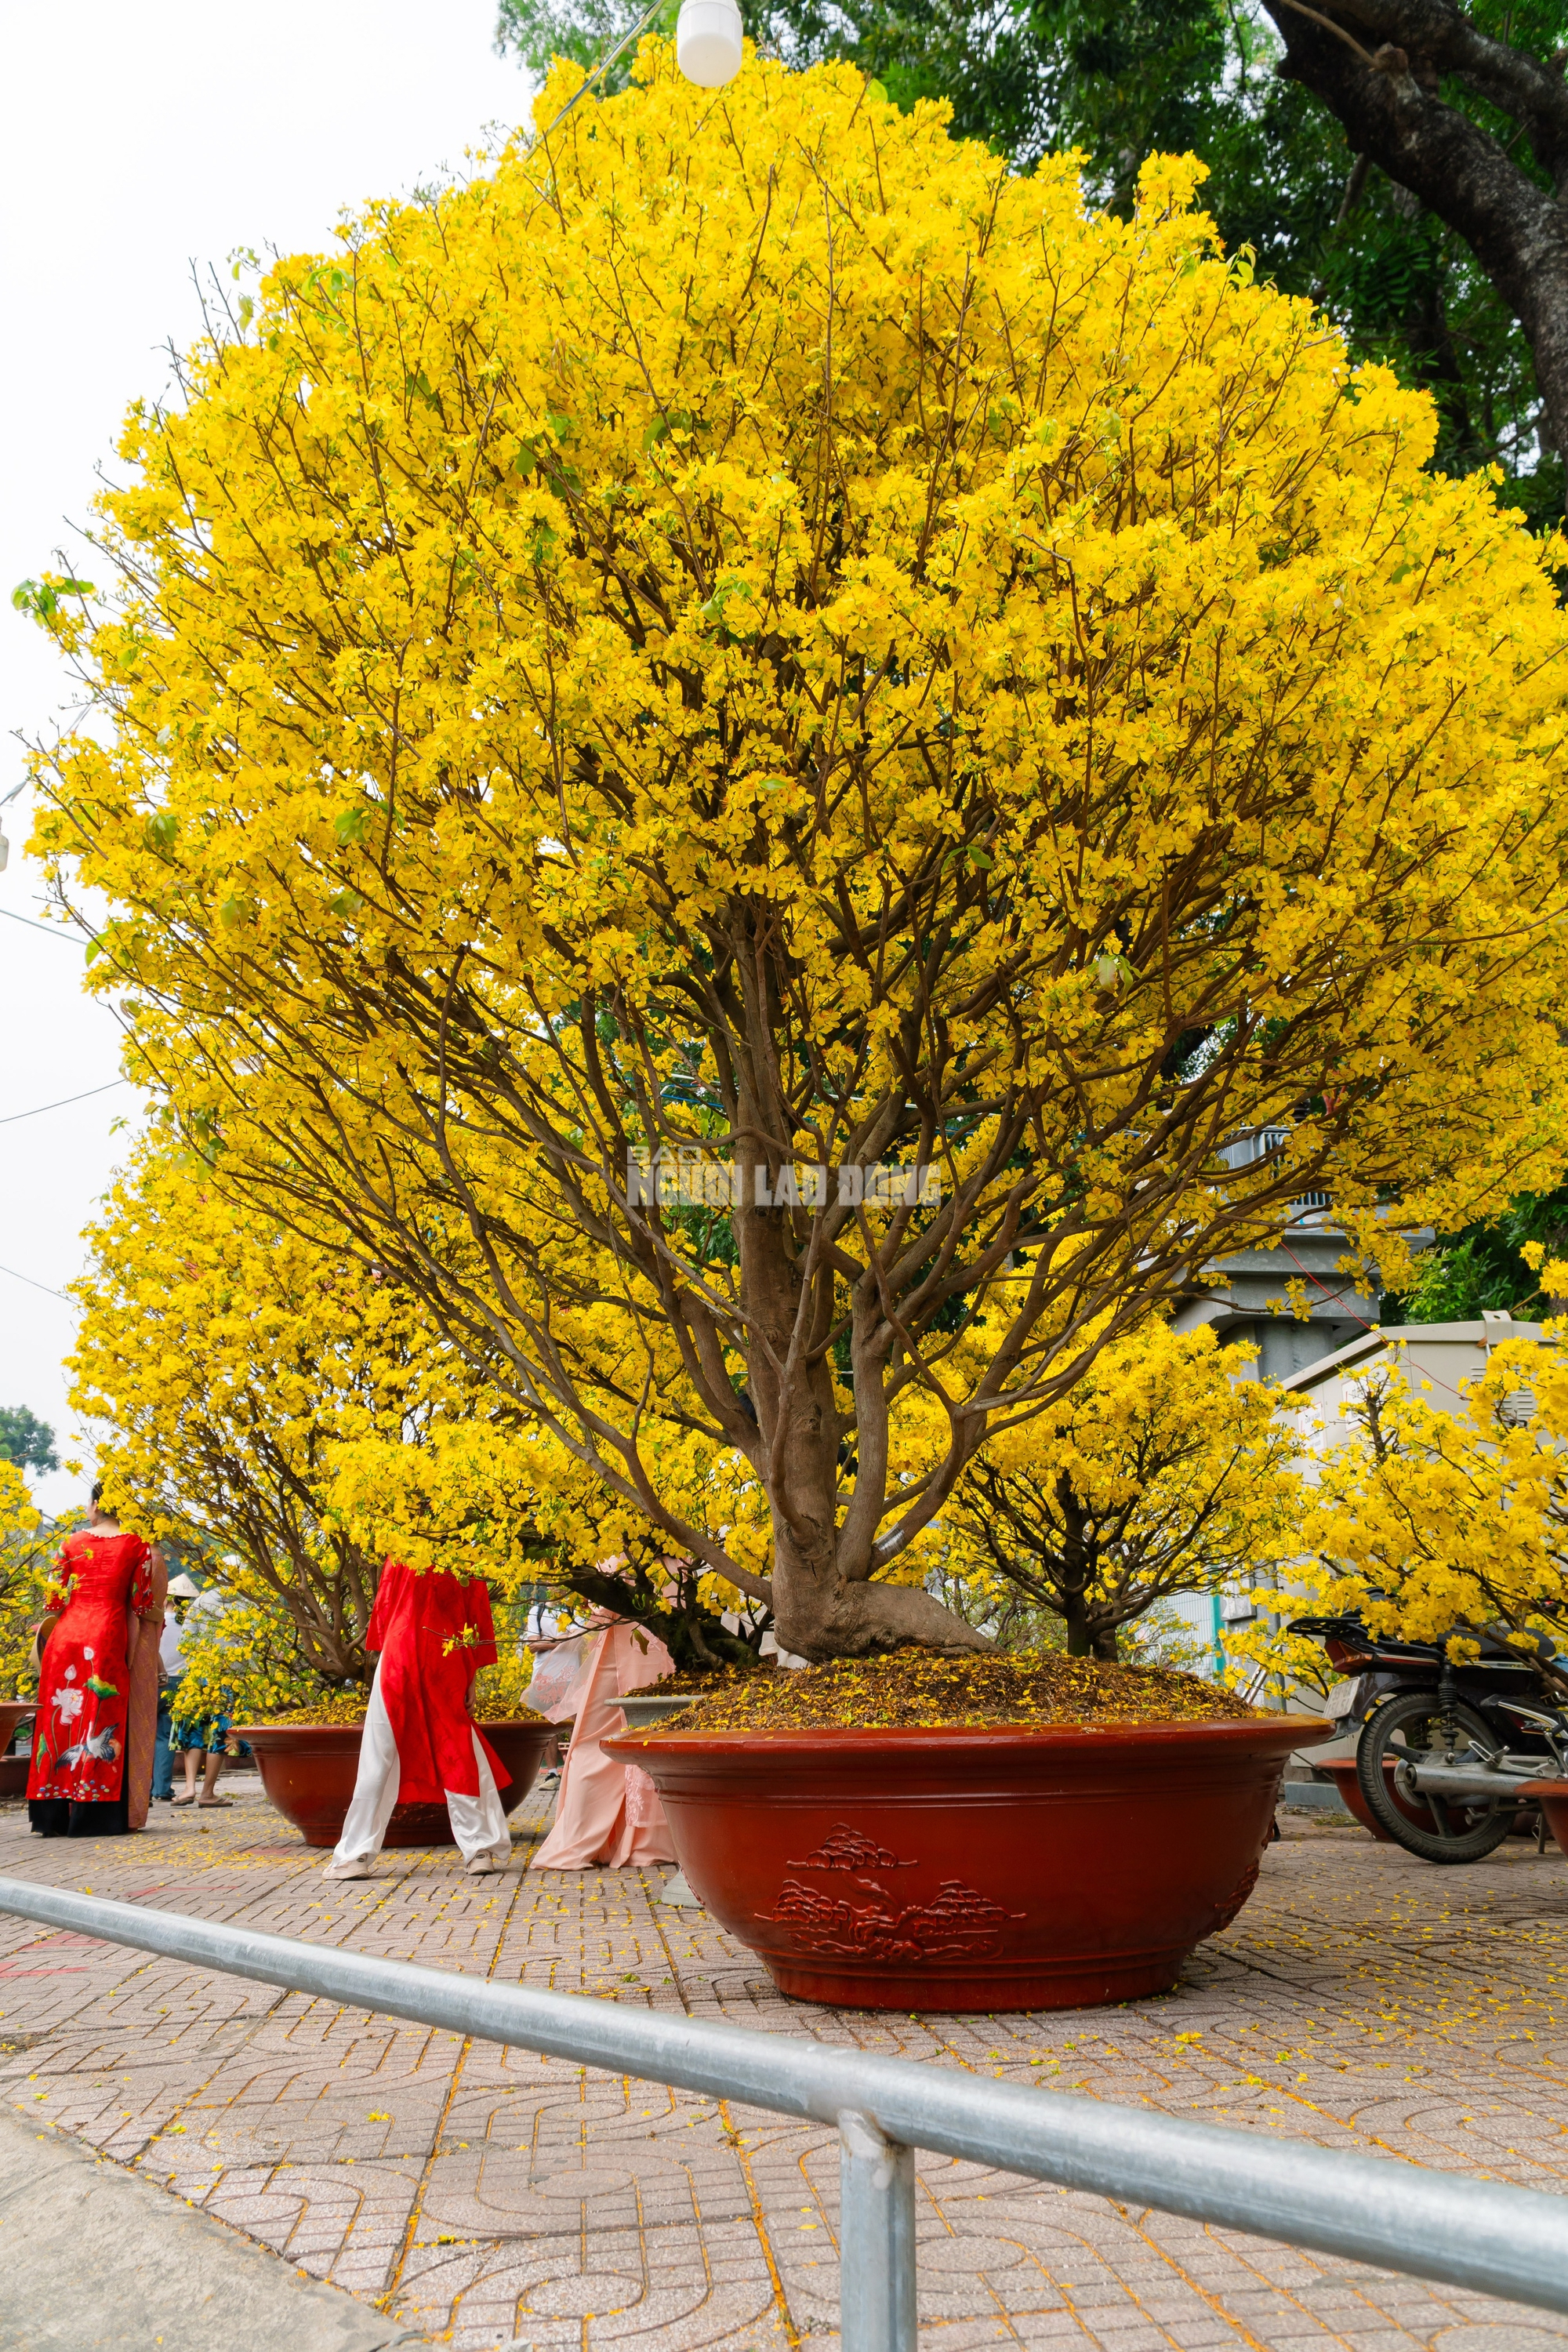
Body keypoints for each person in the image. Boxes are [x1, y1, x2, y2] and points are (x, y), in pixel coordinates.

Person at [325, 1558, 512, 1882]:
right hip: (445, 1655)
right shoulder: (465, 1555)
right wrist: (471, 1676)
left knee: (379, 1751)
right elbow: (476, 1614)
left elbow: (384, 1610)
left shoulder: (402, 1548)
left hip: (401, 1655)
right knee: (458, 1750)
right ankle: (479, 1849)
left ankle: (354, 1855)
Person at [27, 1482, 163, 1839]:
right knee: (100, 1718)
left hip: (66, 1638)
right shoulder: (137, 1545)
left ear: (94, 1504)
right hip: (106, 1636)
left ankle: (51, 1814)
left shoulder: (70, 1543)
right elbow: (143, 1603)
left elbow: (54, 1602)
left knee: (59, 1720)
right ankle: (93, 1812)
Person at [529, 1606, 677, 1871]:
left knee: (629, 1731)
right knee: (633, 1730)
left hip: (641, 1628)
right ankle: (642, 1840)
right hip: (642, 1627)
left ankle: (631, 1839)